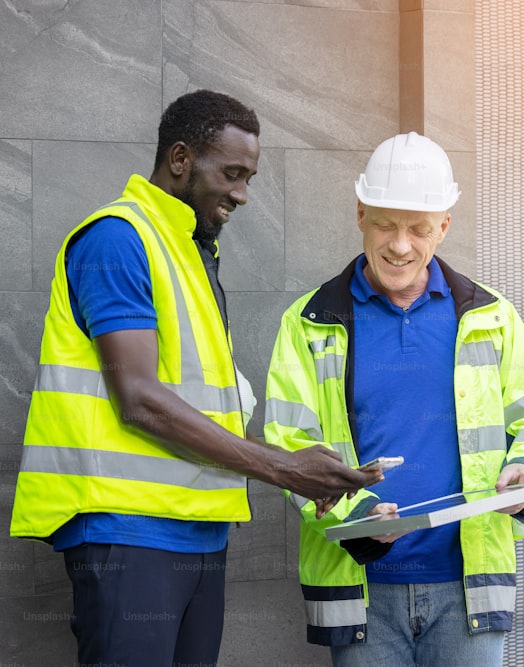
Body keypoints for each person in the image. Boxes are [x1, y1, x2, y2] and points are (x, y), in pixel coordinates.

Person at [8, 89, 380, 667]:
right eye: (232, 173)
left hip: (198, 533)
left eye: (250, 177)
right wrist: (285, 468)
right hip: (128, 531)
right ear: (180, 159)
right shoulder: (118, 238)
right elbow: (140, 400)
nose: (242, 193)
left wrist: (304, 463)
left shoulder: (191, 252)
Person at [264, 131, 524, 666]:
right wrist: (359, 513)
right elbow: (292, 446)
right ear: (360, 213)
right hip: (360, 590)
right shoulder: (309, 324)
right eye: (385, 223)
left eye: (419, 228)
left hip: (469, 588)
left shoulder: (490, 317)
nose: (400, 245)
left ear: (444, 228)